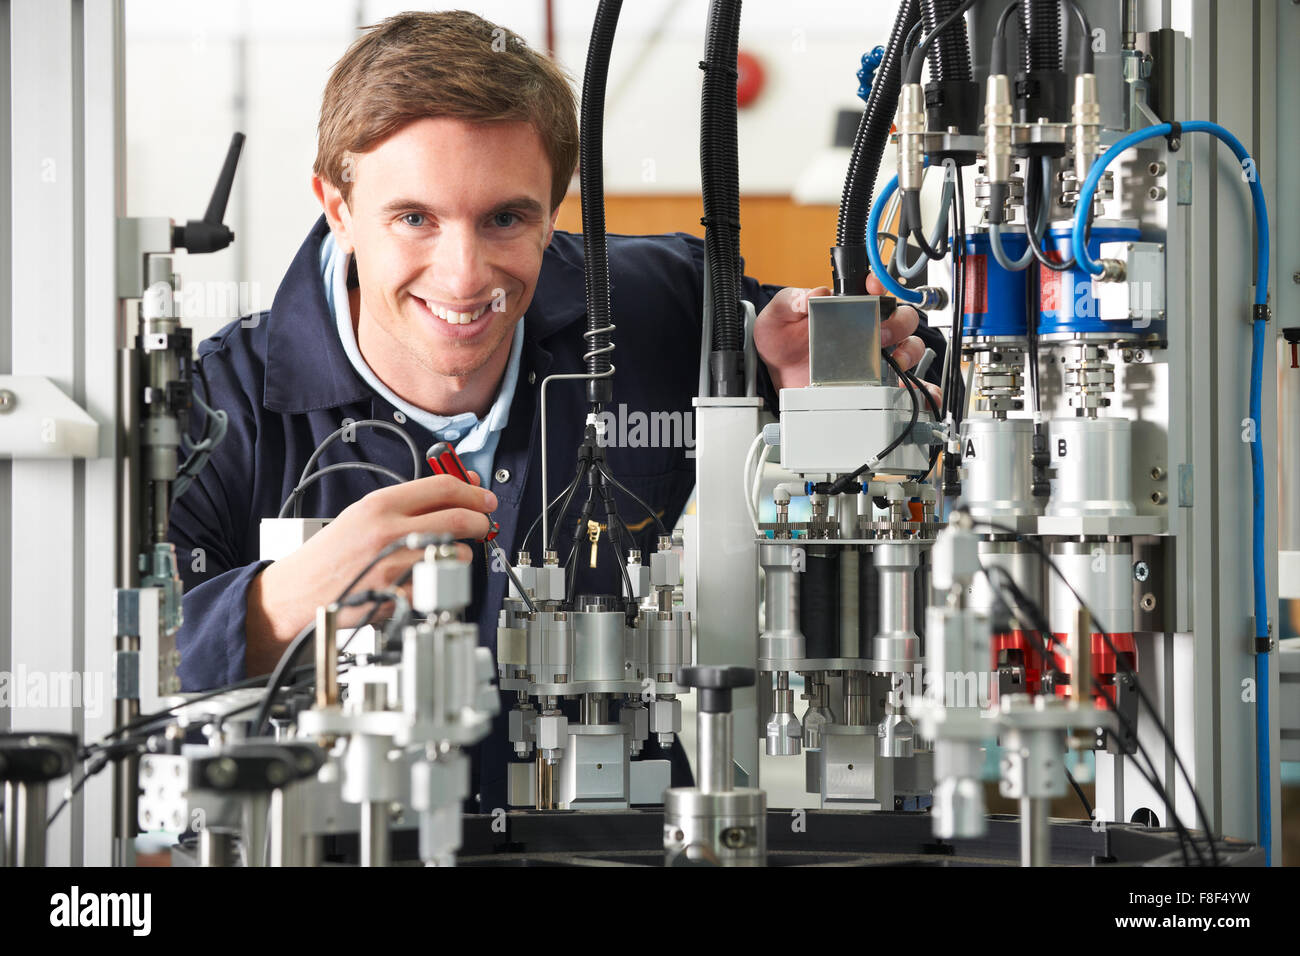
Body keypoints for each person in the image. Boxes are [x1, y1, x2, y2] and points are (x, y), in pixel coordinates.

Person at [170, 10, 945, 810]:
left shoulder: (671, 305)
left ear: (554, 205)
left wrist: (804, 377)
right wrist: (280, 606)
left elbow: (870, 394)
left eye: (506, 217)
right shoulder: (221, 406)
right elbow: (112, 675)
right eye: (414, 219)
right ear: (337, 205)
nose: (465, 275)